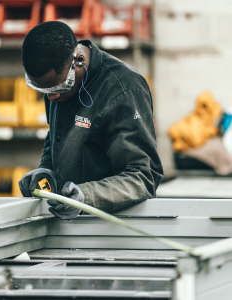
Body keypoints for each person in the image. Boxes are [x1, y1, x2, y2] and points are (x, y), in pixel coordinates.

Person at [19, 21, 163, 220]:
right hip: (69, 224)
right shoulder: (57, 85)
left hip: (113, 228)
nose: (52, 98)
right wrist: (47, 170)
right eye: (46, 91)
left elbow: (142, 177)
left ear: (78, 60)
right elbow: (57, 135)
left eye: (59, 88)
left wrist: (88, 197)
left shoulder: (123, 90)